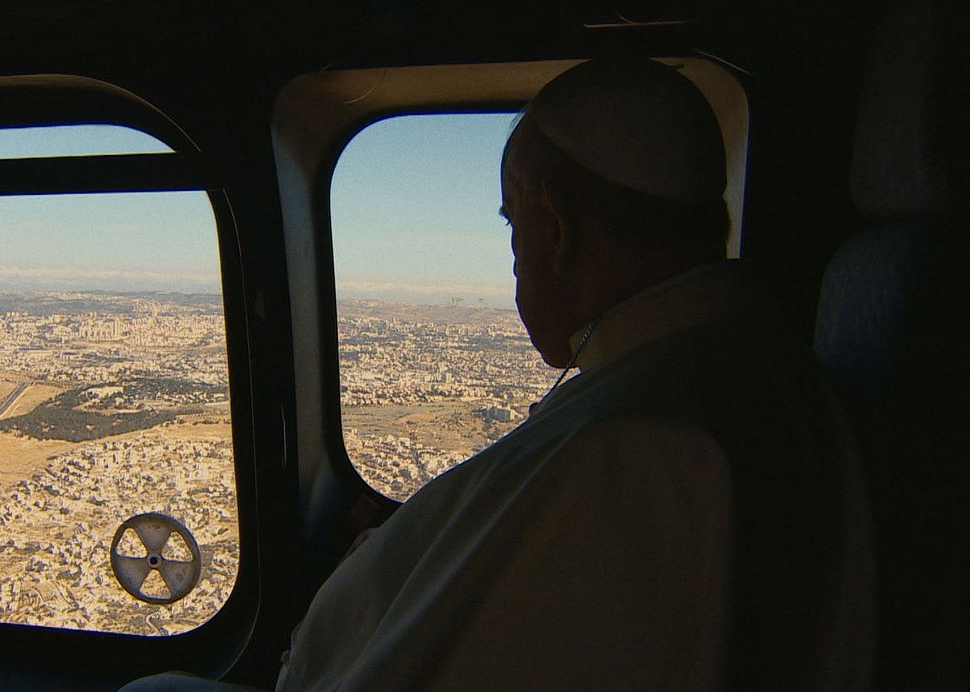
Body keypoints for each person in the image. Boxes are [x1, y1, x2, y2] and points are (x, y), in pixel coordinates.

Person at [129, 56, 874, 691]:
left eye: (512, 224)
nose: (516, 250)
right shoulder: (742, 373)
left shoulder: (635, 451)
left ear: (555, 227)